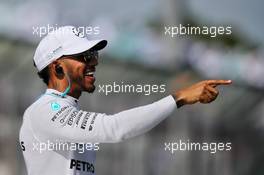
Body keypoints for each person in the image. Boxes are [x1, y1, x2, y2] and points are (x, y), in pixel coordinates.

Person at [19, 26, 231, 175]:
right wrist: (179, 97)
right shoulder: (44, 111)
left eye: (93, 54)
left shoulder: (63, 108)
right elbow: (114, 128)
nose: (93, 62)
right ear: (57, 66)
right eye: (84, 56)